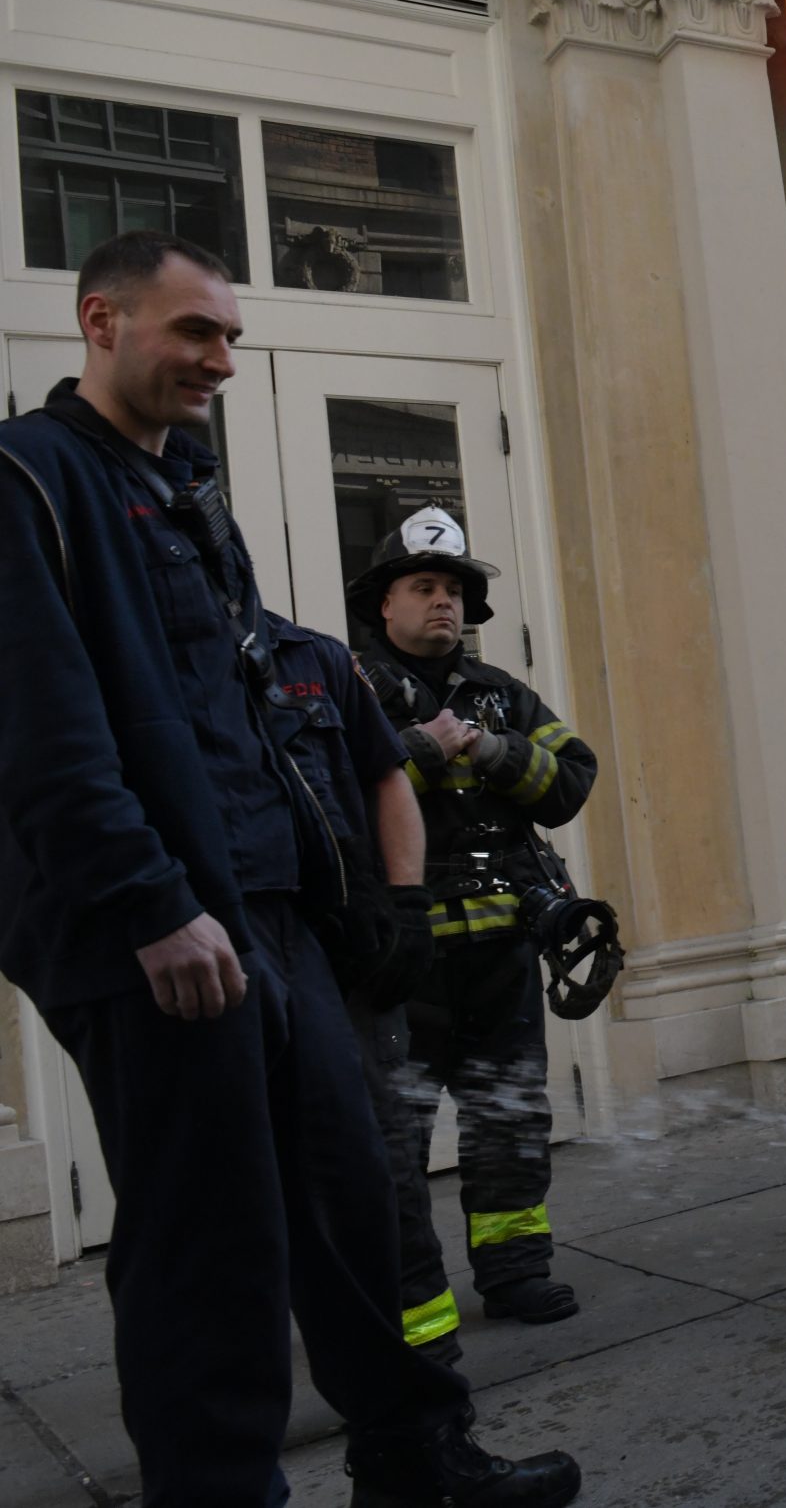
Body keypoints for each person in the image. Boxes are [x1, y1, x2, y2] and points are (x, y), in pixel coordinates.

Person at [0, 230, 577, 1505]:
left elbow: (247, 704)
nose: (218, 358)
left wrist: (361, 903)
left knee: (351, 1203)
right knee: (208, 1253)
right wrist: (153, 905)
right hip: (154, 931)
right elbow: (38, 726)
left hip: (272, 916)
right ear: (100, 321)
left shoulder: (187, 494)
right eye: (192, 330)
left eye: (229, 338)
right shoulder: (31, 478)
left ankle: (420, 1465)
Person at [350, 506, 599, 1327]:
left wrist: (493, 750)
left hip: (498, 956)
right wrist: (421, 747)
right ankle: (409, 1303)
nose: (443, 602)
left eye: (454, 588)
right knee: (395, 1142)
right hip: (397, 961)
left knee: (509, 1117)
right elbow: (332, 799)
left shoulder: (503, 696)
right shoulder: (346, 690)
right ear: (385, 601)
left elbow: (570, 783)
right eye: (423, 586)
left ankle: (516, 1270)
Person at [268, 610, 464, 1367]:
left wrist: (406, 909)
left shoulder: (313, 661)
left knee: (381, 1148)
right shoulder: (150, 662)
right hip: (245, 948)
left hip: (347, 953)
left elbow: (382, 777)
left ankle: (419, 1352)